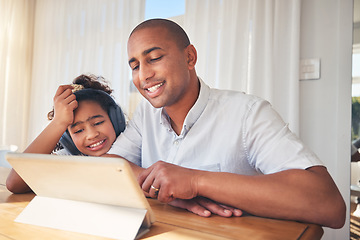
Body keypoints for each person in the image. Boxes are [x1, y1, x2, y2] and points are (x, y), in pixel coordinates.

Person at [107, 18, 346, 229]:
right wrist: (159, 186)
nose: (143, 75)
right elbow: (107, 168)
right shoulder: (145, 114)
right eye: (135, 66)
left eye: (155, 58)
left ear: (190, 57)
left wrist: (195, 181)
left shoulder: (248, 113)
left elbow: (330, 205)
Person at [6, 74, 126, 193]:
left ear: (116, 119)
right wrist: (58, 122)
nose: (91, 135)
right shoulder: (71, 157)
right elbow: (14, 184)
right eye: (78, 130)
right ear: (67, 139)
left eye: (98, 122)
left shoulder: (132, 146)